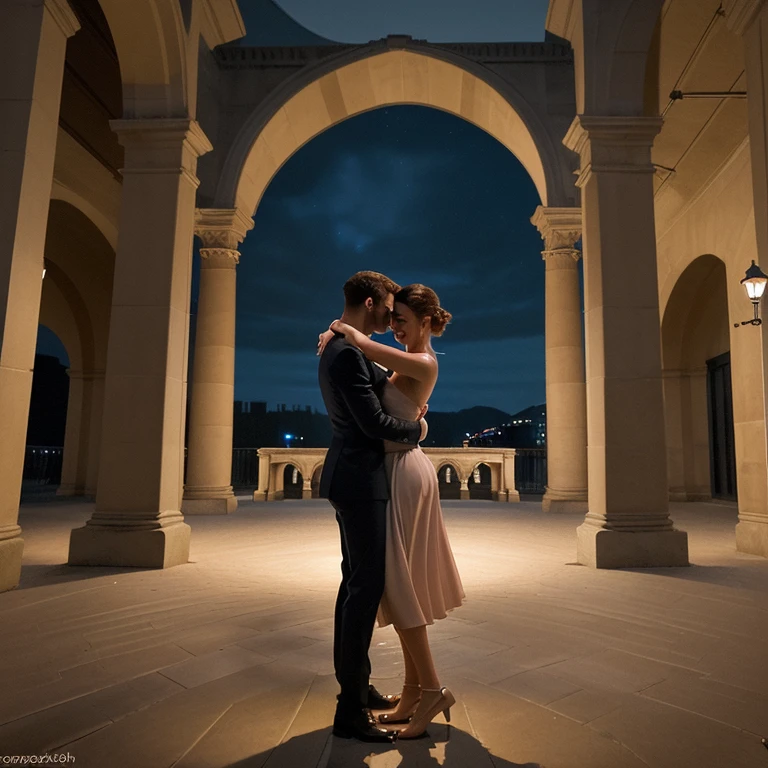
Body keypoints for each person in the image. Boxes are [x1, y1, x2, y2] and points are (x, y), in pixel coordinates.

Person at [320, 283, 465, 740]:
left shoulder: (420, 360)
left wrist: (341, 330)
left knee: (399, 584)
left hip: (402, 473)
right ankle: (412, 690)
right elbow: (370, 365)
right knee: (397, 583)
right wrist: (339, 331)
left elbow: (365, 347)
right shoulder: (393, 359)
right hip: (392, 472)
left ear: (425, 322)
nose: (395, 324)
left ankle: (431, 690)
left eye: (402, 318)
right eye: (392, 315)